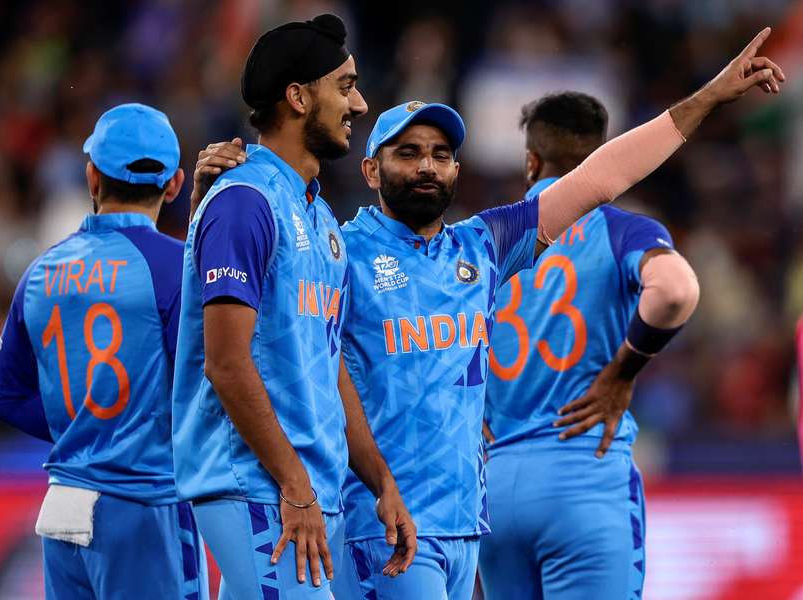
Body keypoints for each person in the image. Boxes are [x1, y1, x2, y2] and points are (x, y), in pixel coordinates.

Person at [196, 27, 784, 600]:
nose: (428, 166)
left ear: (458, 171)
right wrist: (218, 194)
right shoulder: (337, 248)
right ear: (372, 171)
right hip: (377, 521)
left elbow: (603, 178)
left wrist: (708, 97)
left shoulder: (481, 246)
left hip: (465, 523)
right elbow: (243, 314)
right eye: (408, 153)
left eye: (441, 155)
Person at [171, 14, 416, 599]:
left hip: (301, 484)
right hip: (256, 483)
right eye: (345, 85)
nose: (358, 104)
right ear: (299, 97)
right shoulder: (245, 202)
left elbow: (326, 359)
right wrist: (294, 485)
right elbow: (226, 362)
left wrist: (380, 479)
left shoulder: (319, 217)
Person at [478, 91, 700, 599]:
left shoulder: (483, 241)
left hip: (494, 489)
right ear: (607, 159)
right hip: (584, 474)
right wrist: (624, 369)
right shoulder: (622, 231)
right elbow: (676, 289)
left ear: (531, 162)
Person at [0, 103, 205, 599]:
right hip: (144, 502)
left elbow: (4, 396)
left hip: (63, 503)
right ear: (173, 184)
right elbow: (200, 391)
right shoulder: (179, 267)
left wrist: (82, 429)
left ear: (91, 176)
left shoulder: (41, 271)